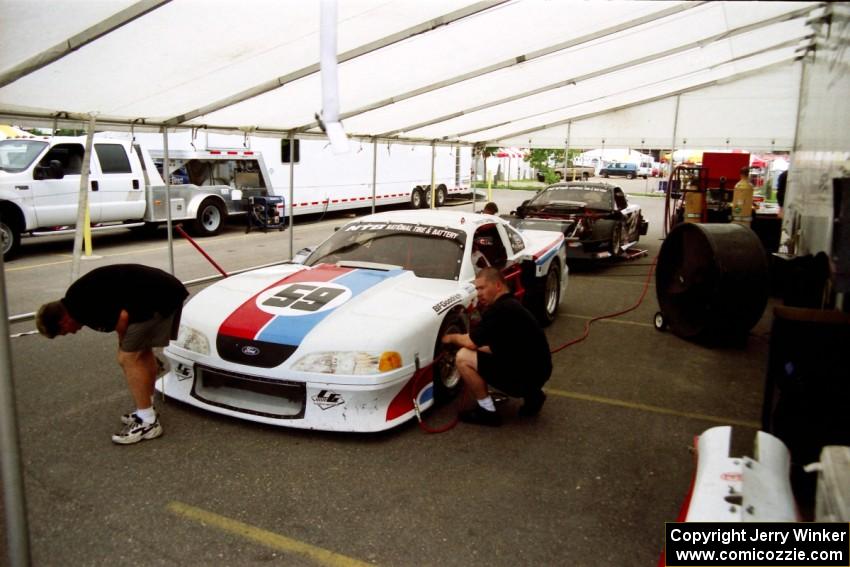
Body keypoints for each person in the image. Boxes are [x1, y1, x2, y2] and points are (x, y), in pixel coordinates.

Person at [36, 264, 189, 445]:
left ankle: (148, 422)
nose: (71, 333)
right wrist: (126, 346)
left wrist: (124, 348)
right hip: (157, 293)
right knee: (138, 353)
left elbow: (123, 318)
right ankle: (146, 409)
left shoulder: (81, 307)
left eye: (64, 332)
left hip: (160, 296)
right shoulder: (76, 300)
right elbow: (120, 319)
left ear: (63, 320)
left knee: (127, 358)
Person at [441, 267, 552, 426]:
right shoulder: (512, 305)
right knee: (484, 350)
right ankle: (534, 397)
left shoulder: (499, 310)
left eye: (482, 288)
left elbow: (470, 342)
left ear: (498, 285)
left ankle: (487, 412)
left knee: (463, 357)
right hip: (540, 372)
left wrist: (449, 337)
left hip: (524, 376)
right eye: (476, 289)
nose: (478, 293)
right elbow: (500, 346)